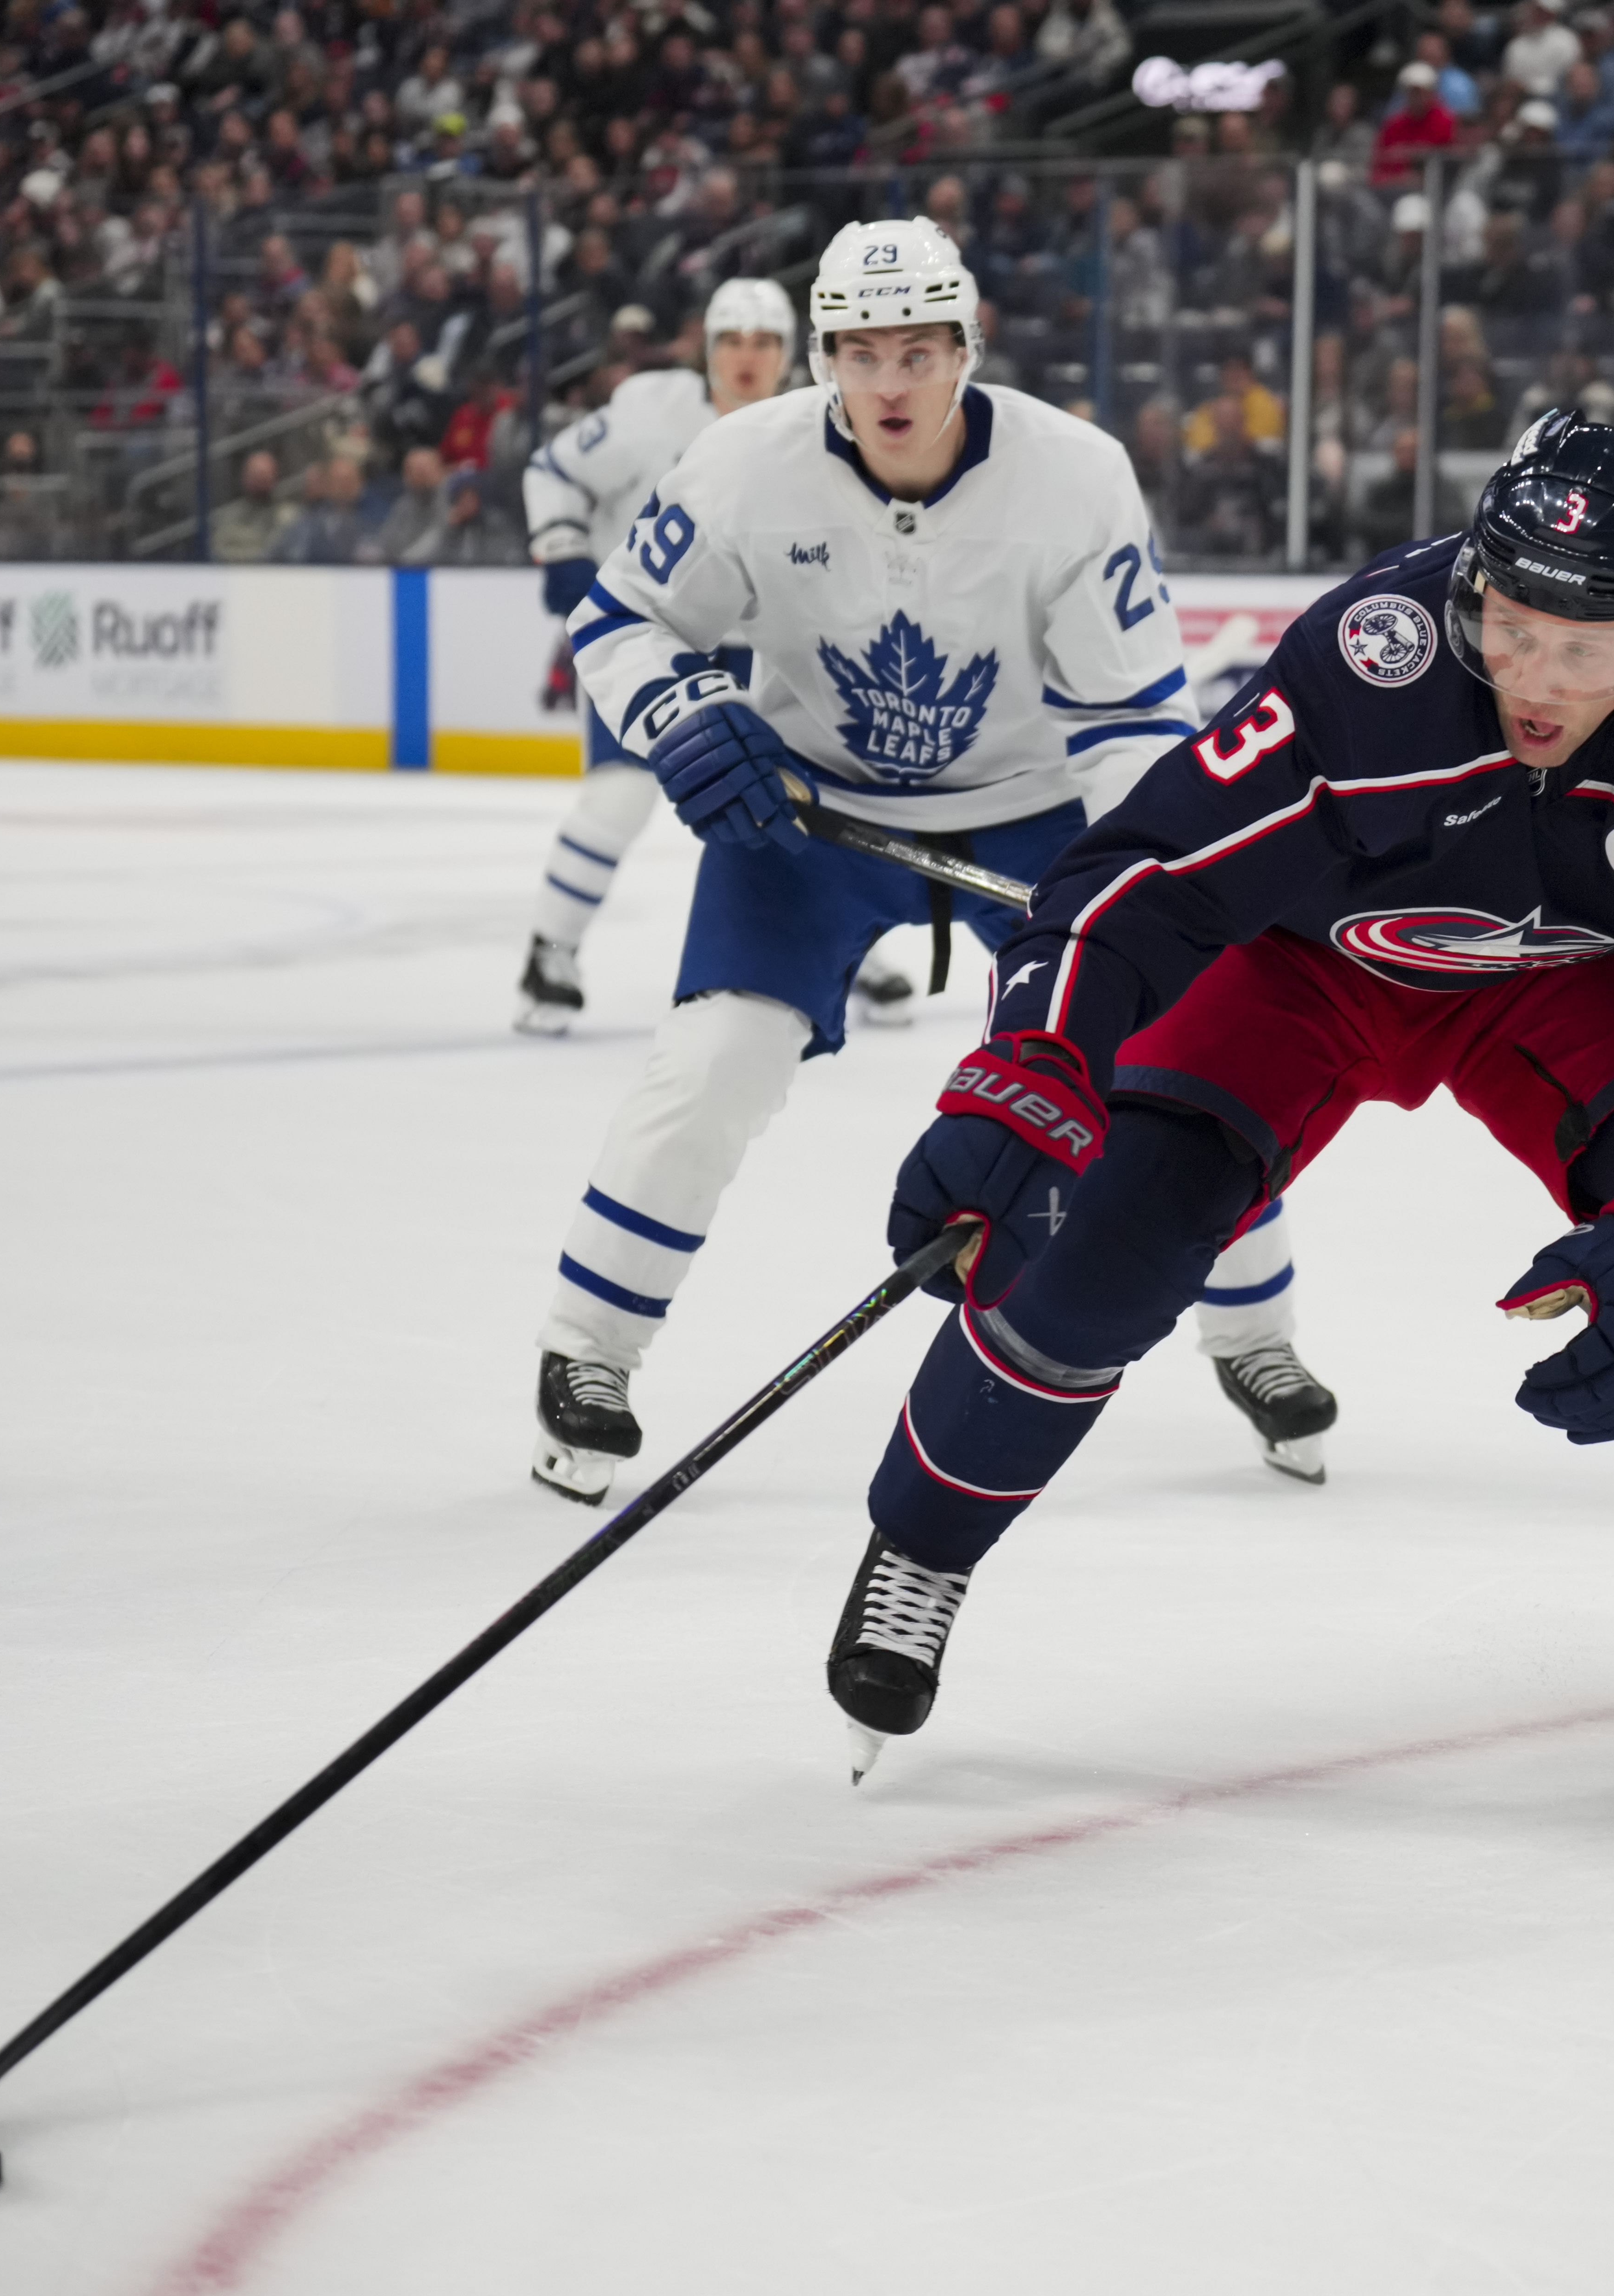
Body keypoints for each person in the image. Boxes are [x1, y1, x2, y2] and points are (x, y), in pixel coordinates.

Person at [830, 415, 1614, 1820]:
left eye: (1583, 646)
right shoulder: (1373, 661)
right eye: (1509, 624)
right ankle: (923, 1551)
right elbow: (1146, 876)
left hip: (1575, 978)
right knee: (1112, 1237)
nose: (1534, 679)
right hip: (1307, 968)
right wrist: (1037, 1060)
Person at [545, 220, 1336, 1505]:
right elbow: (624, 620)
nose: (892, 383)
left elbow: (1135, 730)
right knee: (710, 1067)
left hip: (1031, 810)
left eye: (920, 350)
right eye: (861, 353)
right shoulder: (741, 463)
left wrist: (1148, 899)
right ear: (822, 360)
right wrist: (682, 715)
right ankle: (587, 1353)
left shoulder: (1074, 478)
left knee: (1174, 1062)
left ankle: (1256, 1339)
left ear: (969, 348)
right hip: (808, 821)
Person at [513, 281, 924, 1033]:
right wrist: (563, 548)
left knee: (820, 800)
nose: (746, 359)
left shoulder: (822, 427)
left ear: (790, 355)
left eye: (763, 343)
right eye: (732, 342)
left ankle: (849, 952)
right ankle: (551, 950)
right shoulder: (647, 415)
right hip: (655, 640)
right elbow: (552, 469)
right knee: (619, 797)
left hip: (771, 647)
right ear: (707, 350)